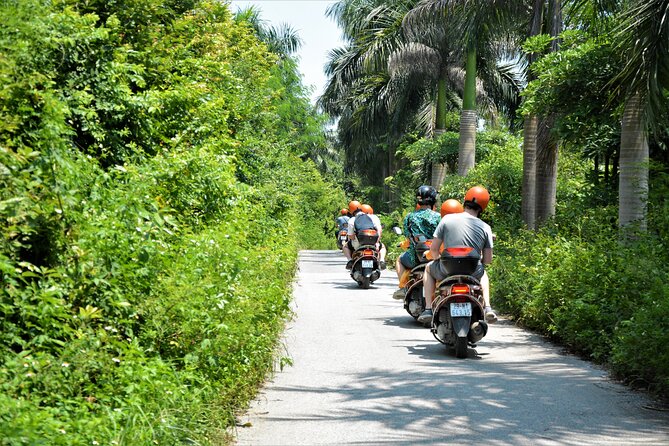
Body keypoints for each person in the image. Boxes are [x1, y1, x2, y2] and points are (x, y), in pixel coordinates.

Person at [417, 186, 498, 325]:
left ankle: (428, 309)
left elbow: (434, 249)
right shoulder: (486, 227)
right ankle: (487, 307)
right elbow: (488, 259)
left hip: (447, 268)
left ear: (465, 201)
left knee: (428, 269)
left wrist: (438, 261)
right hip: (472, 270)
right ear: (483, 206)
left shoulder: (447, 219)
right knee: (484, 273)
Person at [392, 186, 441, 300]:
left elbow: (408, 236)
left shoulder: (409, 217)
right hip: (435, 255)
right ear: (433, 200)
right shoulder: (438, 216)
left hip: (415, 257)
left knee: (399, 260)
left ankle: (403, 287)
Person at [345, 202, 387, 270]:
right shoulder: (373, 217)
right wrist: (377, 242)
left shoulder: (352, 220)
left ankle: (350, 261)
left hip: (358, 244)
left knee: (345, 246)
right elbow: (379, 230)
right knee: (383, 247)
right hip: (373, 243)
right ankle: (382, 260)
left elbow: (351, 237)